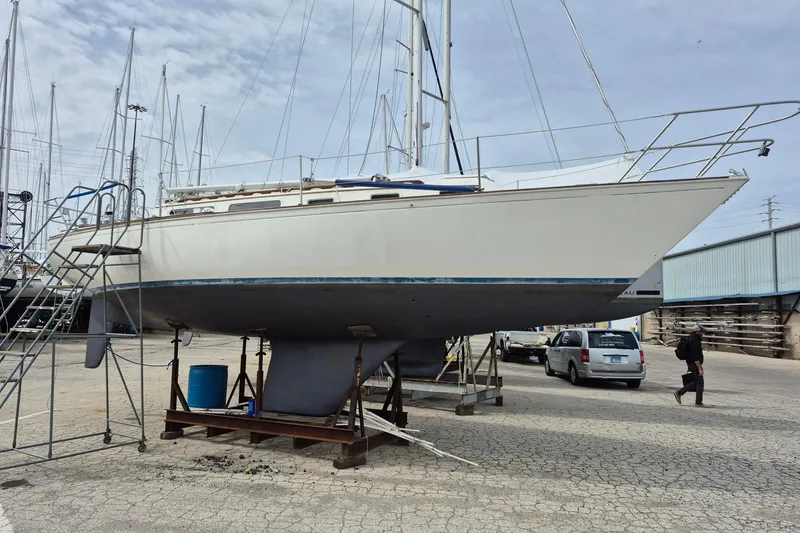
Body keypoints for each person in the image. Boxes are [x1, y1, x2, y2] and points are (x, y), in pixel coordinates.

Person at [673, 325, 706, 406]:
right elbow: (696, 355)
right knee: (699, 382)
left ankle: (680, 393)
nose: (702, 333)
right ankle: (697, 401)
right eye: (701, 331)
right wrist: (700, 368)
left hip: (691, 363)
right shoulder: (695, 341)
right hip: (694, 363)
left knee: (697, 382)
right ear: (697, 332)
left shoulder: (691, 339)